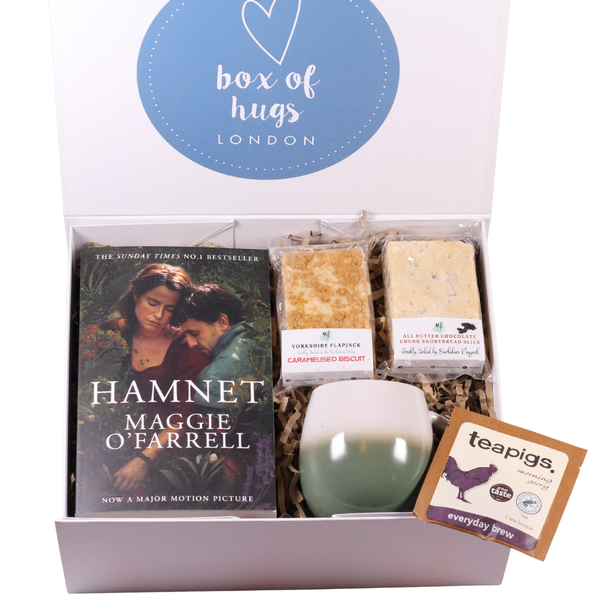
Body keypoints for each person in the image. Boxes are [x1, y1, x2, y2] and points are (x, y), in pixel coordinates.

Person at [87, 264, 210, 492]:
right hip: (107, 441)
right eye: (152, 303)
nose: (158, 315)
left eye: (169, 308)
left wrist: (143, 460)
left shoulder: (186, 349)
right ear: (136, 296)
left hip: (164, 448)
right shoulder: (103, 334)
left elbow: (184, 417)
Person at [172, 283, 262, 406]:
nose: (191, 344)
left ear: (221, 322)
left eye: (194, 333)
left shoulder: (212, 379)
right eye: (184, 336)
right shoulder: (262, 335)